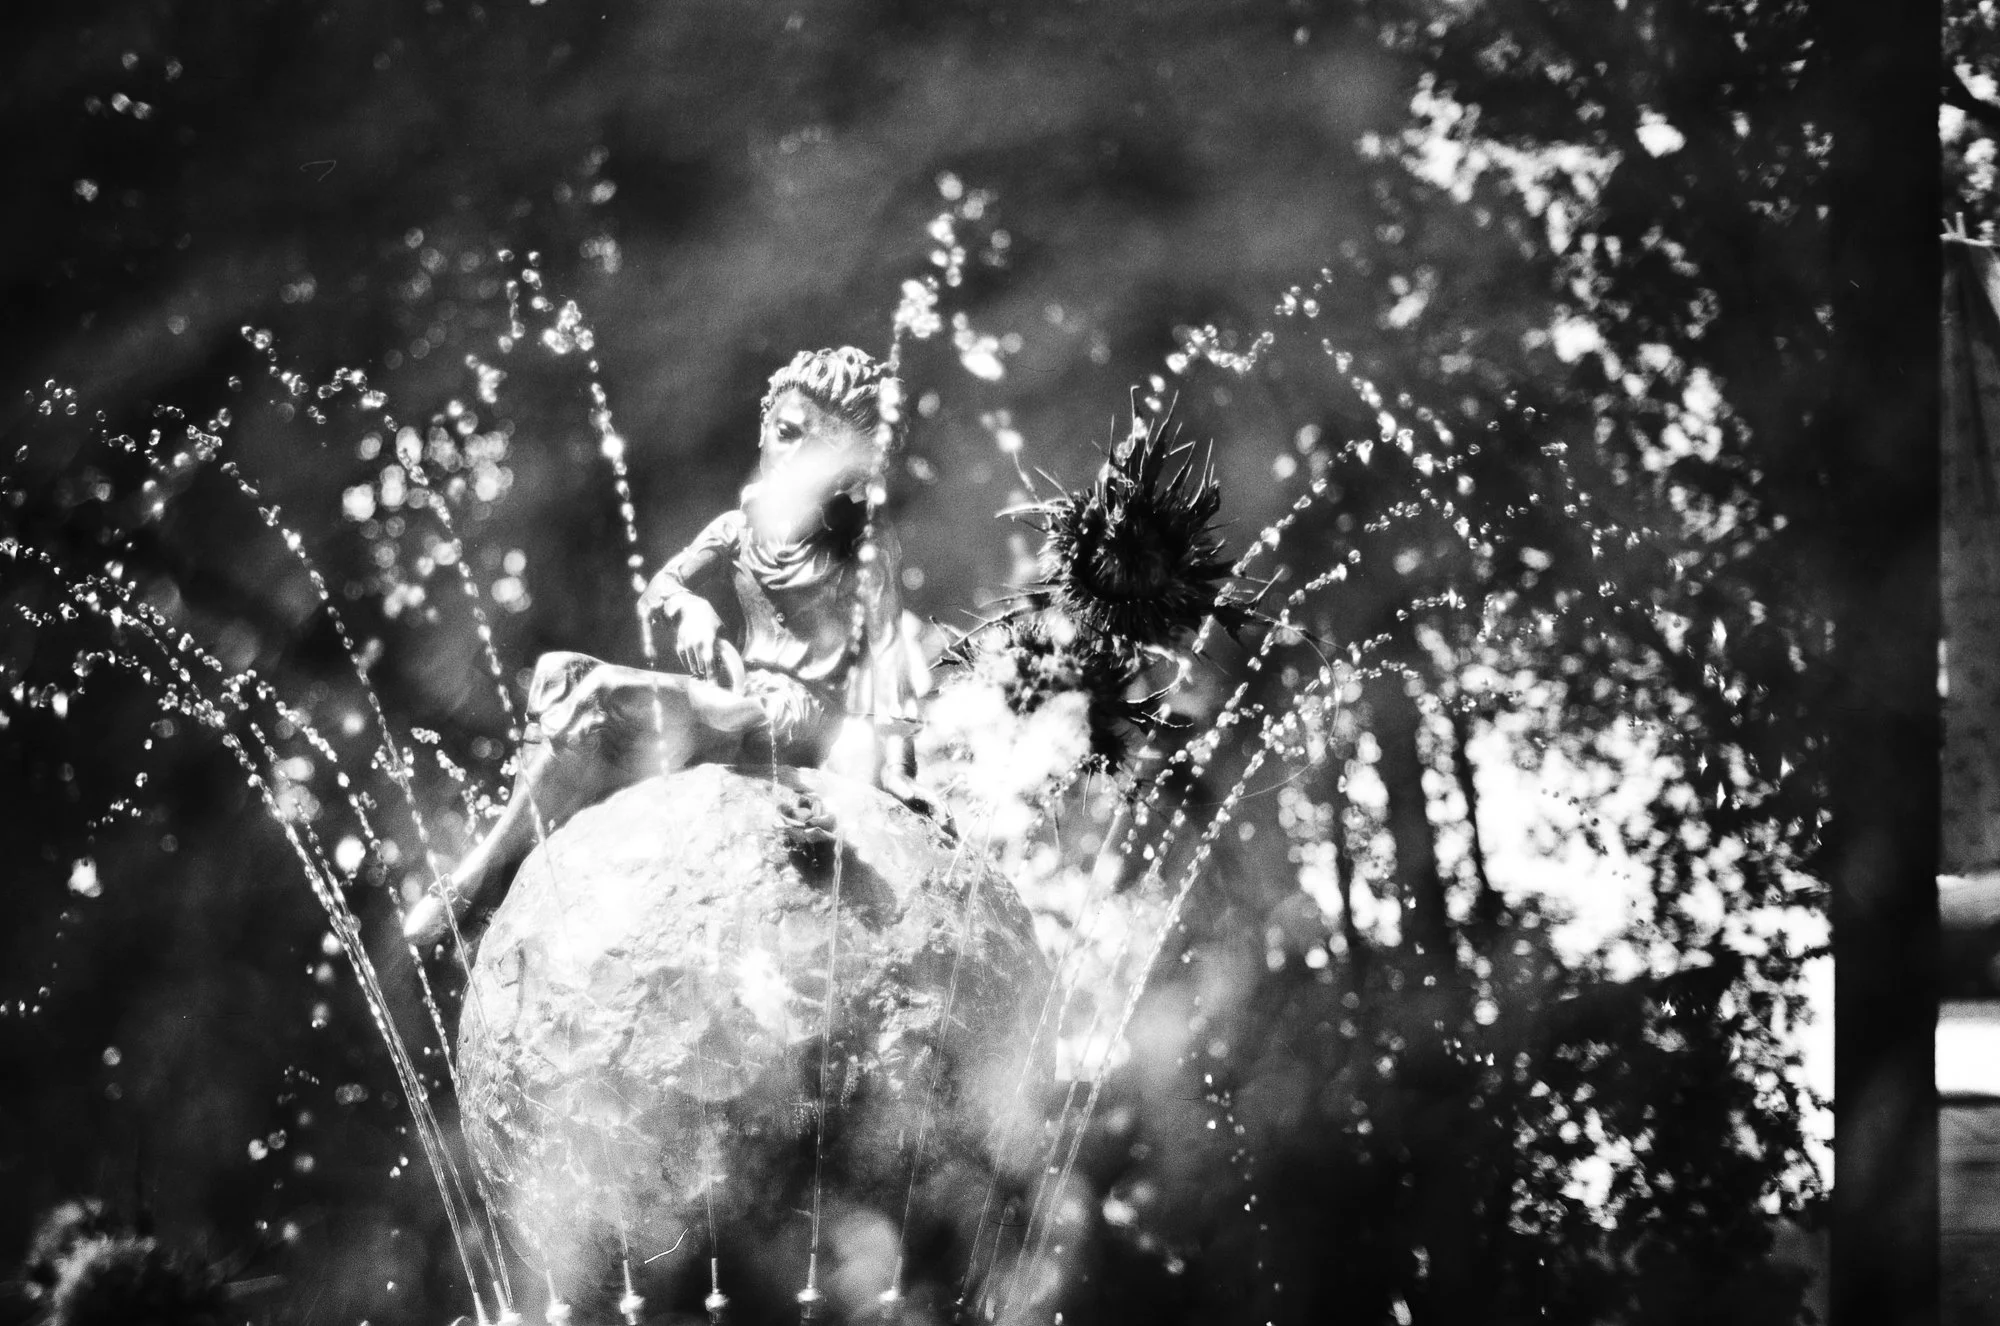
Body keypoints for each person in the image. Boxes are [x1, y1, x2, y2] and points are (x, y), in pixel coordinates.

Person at [403, 347, 925, 945]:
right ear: (764, 426)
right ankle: (524, 850)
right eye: (786, 433)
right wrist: (690, 609)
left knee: (603, 695)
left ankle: (481, 877)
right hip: (740, 694)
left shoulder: (862, 551)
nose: (794, 459)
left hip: (795, 716)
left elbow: (888, 653)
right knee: (557, 671)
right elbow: (661, 589)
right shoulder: (741, 528)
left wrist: (898, 771)